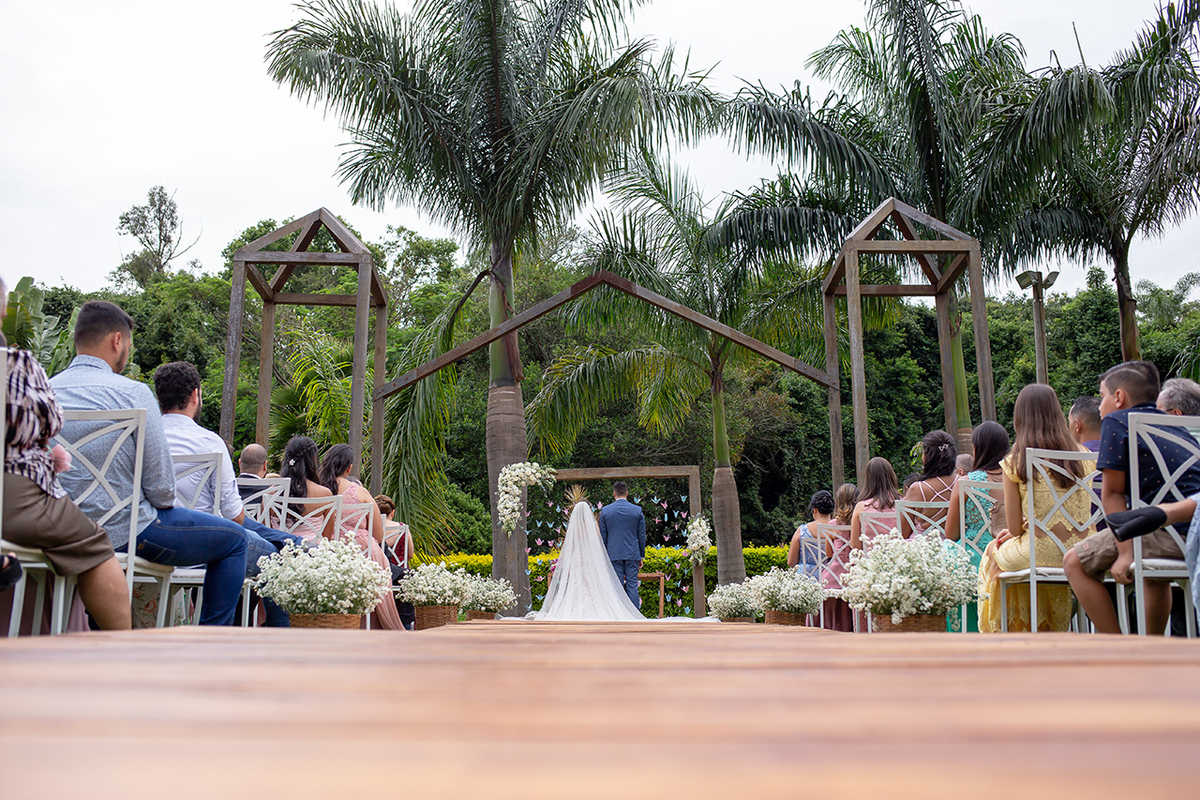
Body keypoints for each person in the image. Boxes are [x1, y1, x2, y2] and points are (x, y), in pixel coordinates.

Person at [50, 300, 247, 626]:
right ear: (117, 341)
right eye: (128, 343)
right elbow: (162, 491)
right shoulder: (134, 394)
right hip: (129, 533)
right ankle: (210, 645)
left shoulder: (43, 390)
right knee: (235, 541)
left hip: (62, 530)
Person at [1, 279, 131, 631]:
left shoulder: (56, 377)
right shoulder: (16, 364)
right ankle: (124, 652)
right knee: (94, 545)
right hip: (17, 499)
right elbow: (48, 420)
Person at [153, 361, 303, 627]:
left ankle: (289, 542)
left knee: (264, 540)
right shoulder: (210, 442)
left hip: (153, 542)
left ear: (159, 397)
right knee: (279, 562)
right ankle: (277, 639)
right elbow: (234, 517)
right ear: (195, 395)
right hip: (205, 549)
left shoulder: (147, 438)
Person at [1063, 362, 1200, 634]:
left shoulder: (1116, 420)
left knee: (1073, 562)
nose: (1100, 407)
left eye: (1102, 397)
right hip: (1194, 530)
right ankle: (1151, 646)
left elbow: (1112, 494)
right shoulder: (1176, 424)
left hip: (1168, 533)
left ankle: (1117, 646)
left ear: (1119, 397)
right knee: (1153, 574)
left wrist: (1126, 553)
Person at [979, 384, 1096, 633]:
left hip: (1040, 552)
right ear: (1057, 413)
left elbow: (1012, 527)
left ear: (1020, 418)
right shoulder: (1085, 456)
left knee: (993, 550)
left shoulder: (1015, 461)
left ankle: (1006, 631)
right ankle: (1049, 625)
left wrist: (1021, 528)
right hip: (1085, 551)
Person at [319, 443, 405, 631]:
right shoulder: (359, 492)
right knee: (377, 555)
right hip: (362, 552)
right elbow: (380, 534)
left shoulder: (317, 490)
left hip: (326, 550)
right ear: (348, 468)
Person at [942, 421, 1009, 632]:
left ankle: (965, 631)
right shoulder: (1016, 479)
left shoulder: (965, 482)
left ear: (978, 448)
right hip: (1008, 555)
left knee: (946, 555)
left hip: (973, 559)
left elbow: (951, 534)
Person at [530, 501, 645, 621]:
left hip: (577, 557)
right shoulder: (593, 525)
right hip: (590, 556)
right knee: (591, 583)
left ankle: (574, 606)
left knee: (576, 582)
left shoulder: (573, 525)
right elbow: (598, 543)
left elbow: (571, 544)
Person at [899, 430, 958, 537]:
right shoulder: (962, 483)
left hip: (923, 549)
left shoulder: (918, 489)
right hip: (956, 547)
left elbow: (903, 532)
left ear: (928, 457)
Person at [598, 481, 646, 608]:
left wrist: (604, 556)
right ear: (627, 493)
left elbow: (603, 537)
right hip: (632, 553)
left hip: (613, 554)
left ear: (614, 493)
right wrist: (641, 555)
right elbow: (641, 536)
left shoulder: (605, 511)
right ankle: (634, 617)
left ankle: (619, 616)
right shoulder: (637, 510)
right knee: (632, 586)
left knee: (616, 587)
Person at [277, 436, 336, 541]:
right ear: (312, 460)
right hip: (313, 554)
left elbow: (266, 532)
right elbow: (326, 538)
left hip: (278, 551)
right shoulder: (325, 494)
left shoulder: (272, 492)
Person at [850, 458, 900, 552]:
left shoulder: (861, 507)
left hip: (872, 562)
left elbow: (855, 546)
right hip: (900, 562)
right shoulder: (903, 504)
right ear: (891, 476)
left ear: (868, 480)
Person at [787, 490, 831, 580]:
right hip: (830, 578)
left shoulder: (803, 530)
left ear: (814, 510)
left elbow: (791, 562)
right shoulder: (838, 530)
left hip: (804, 580)